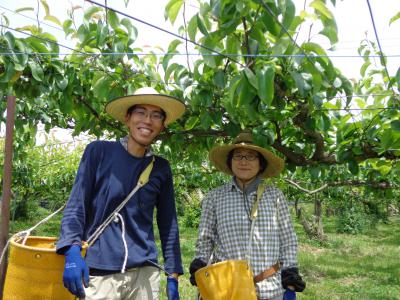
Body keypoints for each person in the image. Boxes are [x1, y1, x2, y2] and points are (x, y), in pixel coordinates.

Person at [56, 87, 185, 300]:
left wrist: (172, 274)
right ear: (127, 118)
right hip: (100, 271)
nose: (147, 120)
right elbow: (77, 204)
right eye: (141, 113)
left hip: (144, 273)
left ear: (162, 125)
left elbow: (168, 222)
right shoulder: (98, 152)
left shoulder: (160, 167)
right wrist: (71, 249)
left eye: (156, 116)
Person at [189, 132, 306, 300]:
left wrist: (290, 271)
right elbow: (205, 238)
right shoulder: (215, 197)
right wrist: (199, 263)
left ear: (261, 164)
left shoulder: (275, 196)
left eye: (251, 157)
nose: (243, 161)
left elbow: (288, 239)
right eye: (238, 156)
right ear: (230, 162)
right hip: (226, 288)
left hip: (268, 289)